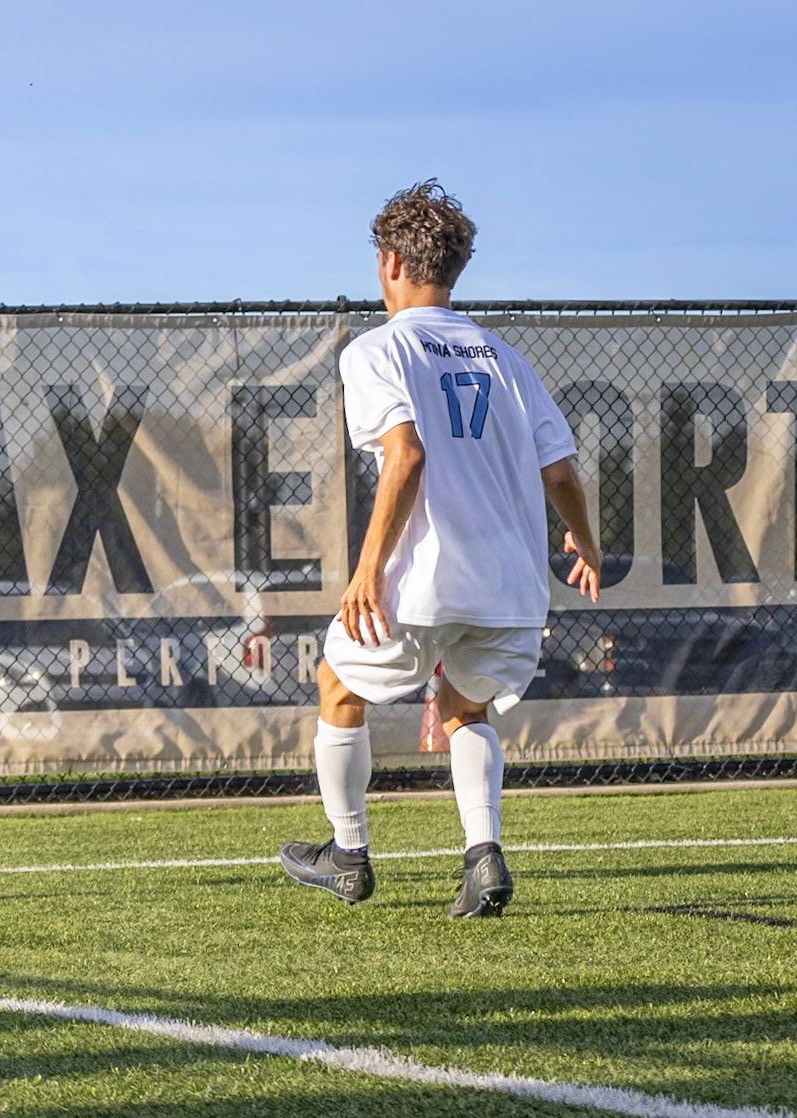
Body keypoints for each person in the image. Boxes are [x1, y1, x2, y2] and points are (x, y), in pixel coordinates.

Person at [278, 181, 602, 917]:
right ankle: (483, 856)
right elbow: (560, 474)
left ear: (391, 262)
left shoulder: (377, 349)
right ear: (455, 269)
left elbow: (407, 457)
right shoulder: (508, 360)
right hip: (513, 585)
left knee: (337, 687)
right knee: (466, 707)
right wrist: (584, 541)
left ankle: (349, 853)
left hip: (421, 582)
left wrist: (366, 571)